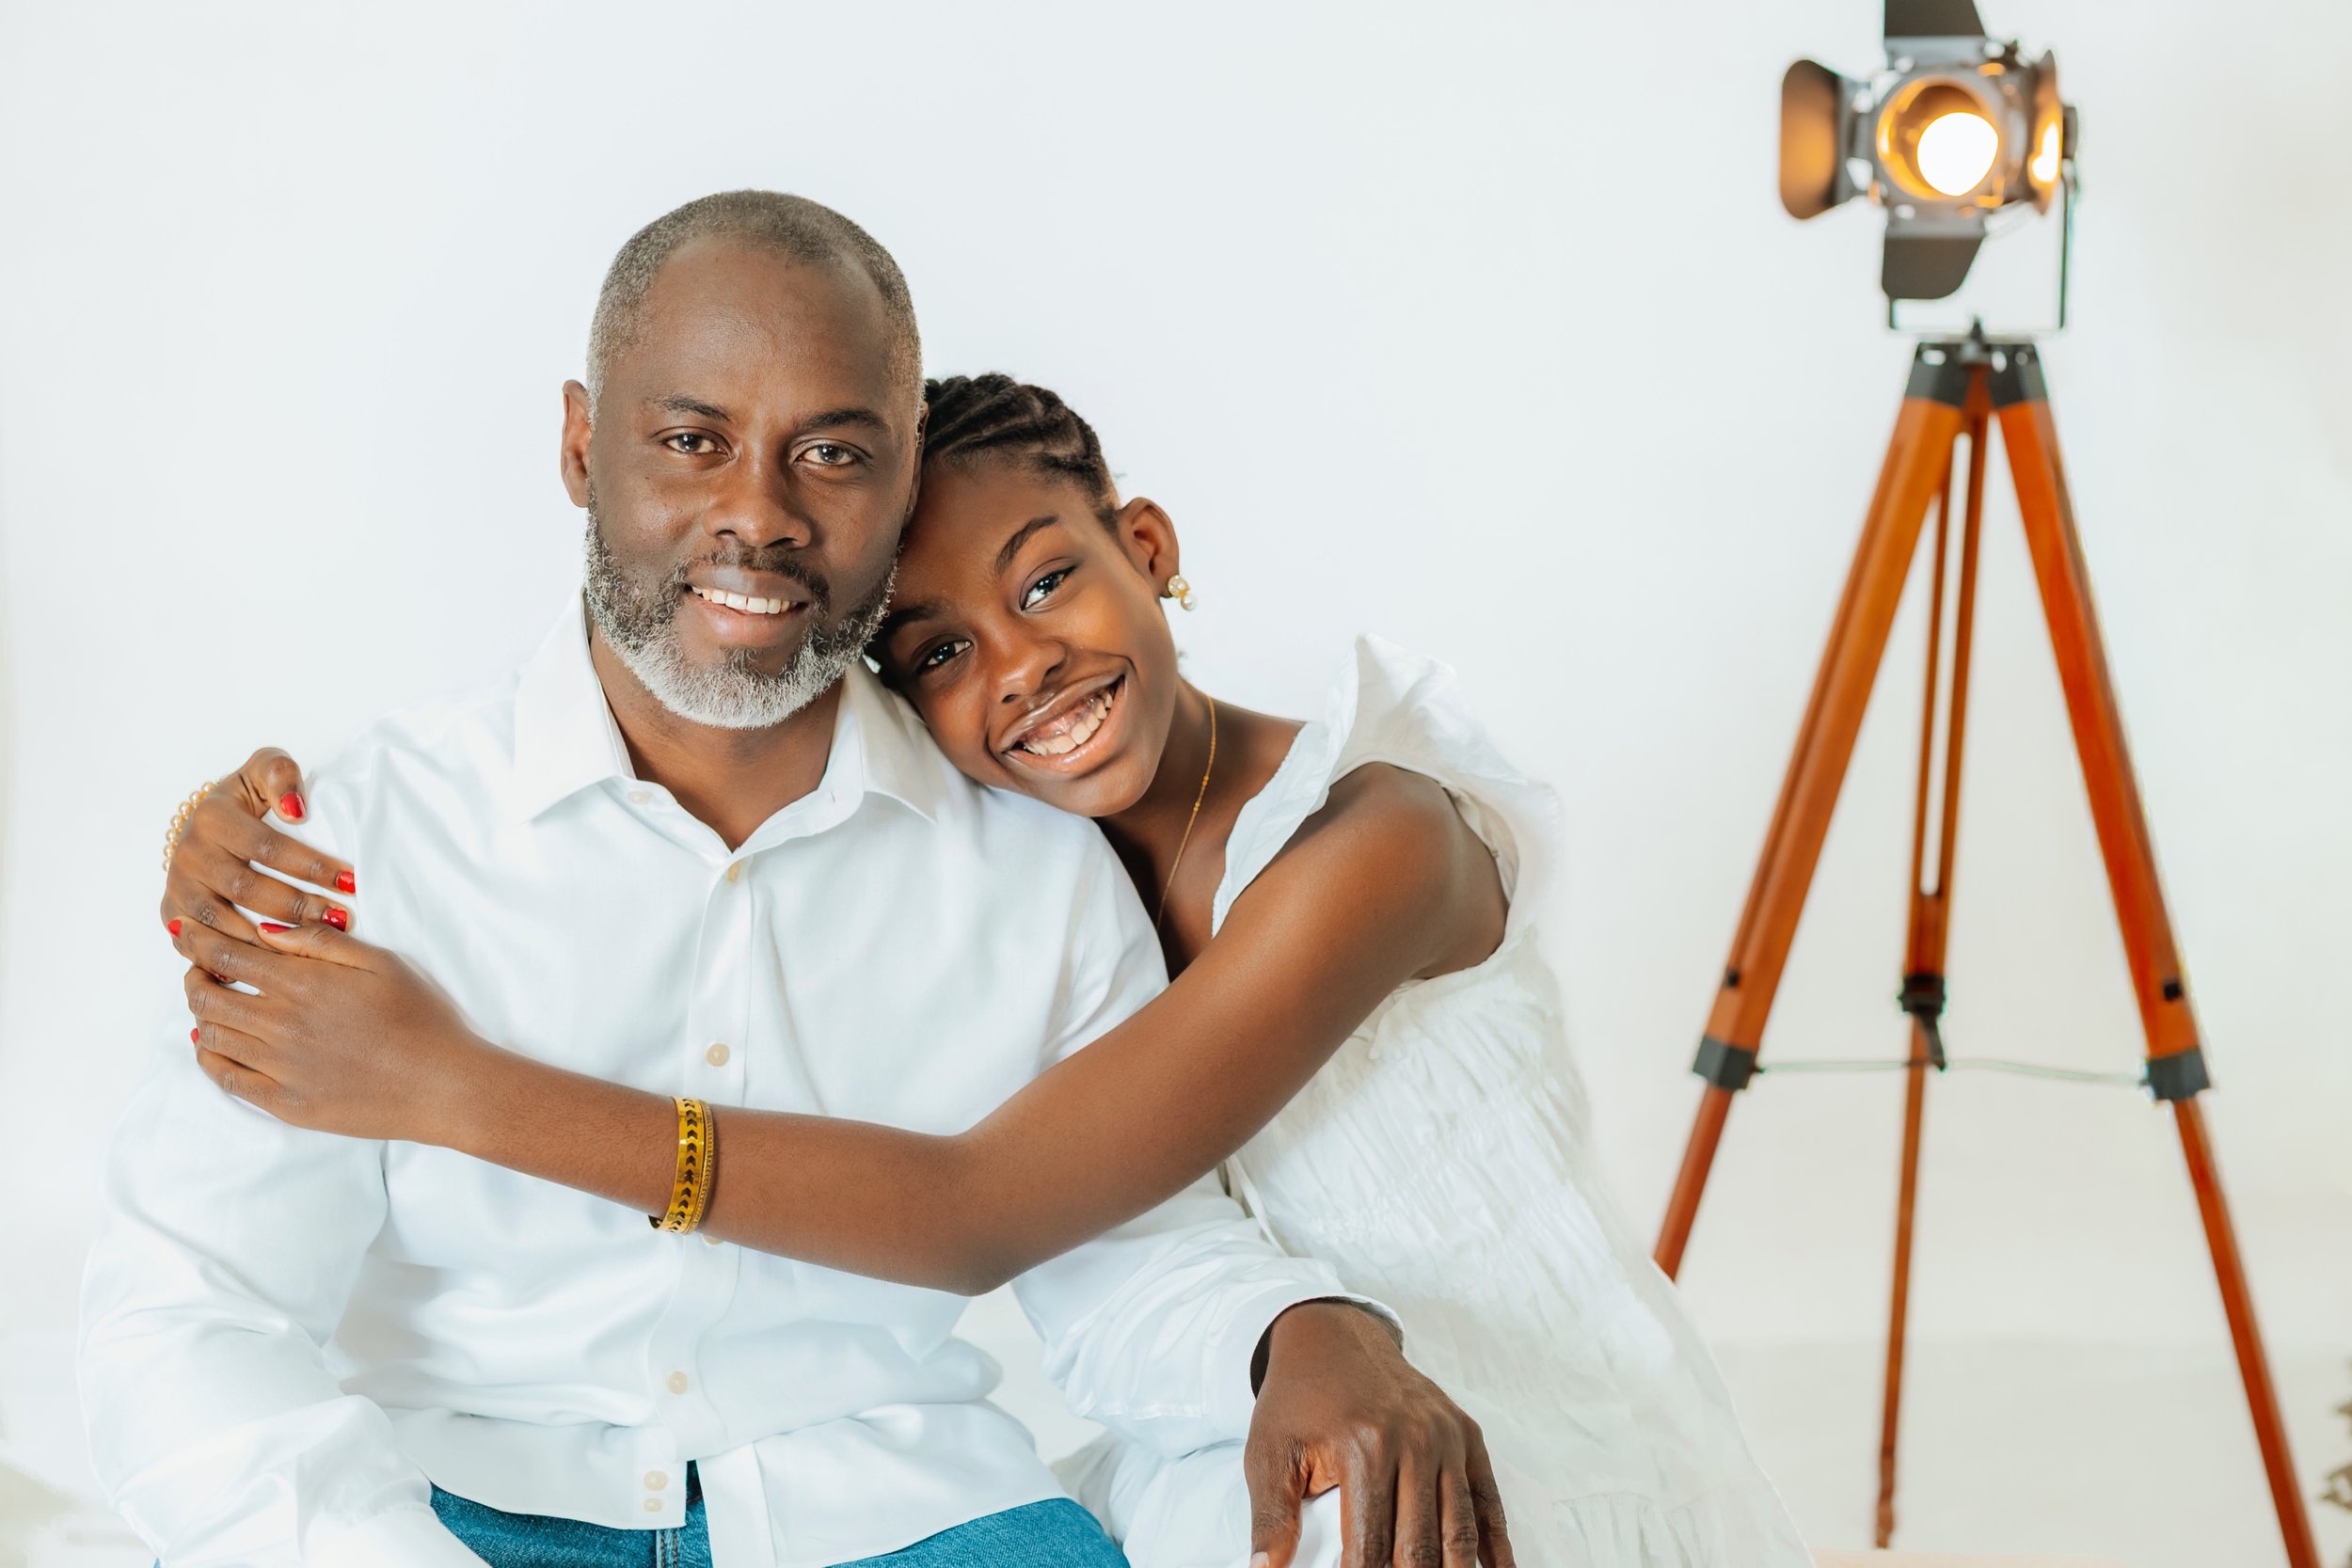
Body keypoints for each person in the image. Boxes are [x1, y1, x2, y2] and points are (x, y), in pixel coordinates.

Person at [160, 365, 1815, 1565]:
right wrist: (235, 826)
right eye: (943, 650)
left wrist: (449, 1089)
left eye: (1051, 581)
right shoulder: (1025, 846)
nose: (1020, 669)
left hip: (1510, 1425)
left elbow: (982, 1209)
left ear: (1147, 543)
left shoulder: (1375, 839)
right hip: (1258, 1391)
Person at [87, 192, 1505, 1568]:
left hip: (904, 1516)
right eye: (692, 440)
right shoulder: (353, 840)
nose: (757, 515)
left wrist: (1295, 1328)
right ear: (581, 445)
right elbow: (189, 1315)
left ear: (903, 482)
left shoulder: (1033, 855)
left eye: (830, 454)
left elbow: (1117, 1247)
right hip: (459, 1501)